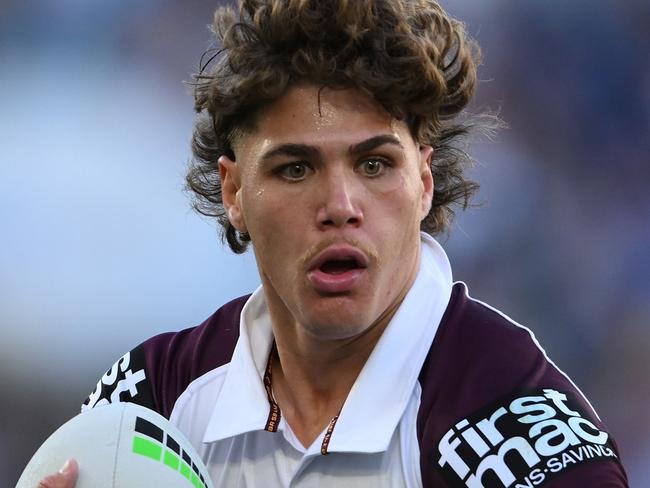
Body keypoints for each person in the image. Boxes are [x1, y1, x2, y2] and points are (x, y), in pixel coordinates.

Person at [40, 0, 628, 487]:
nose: (341, 207)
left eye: (374, 164)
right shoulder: (154, 396)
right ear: (235, 190)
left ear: (423, 183)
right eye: (295, 169)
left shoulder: (512, 437)